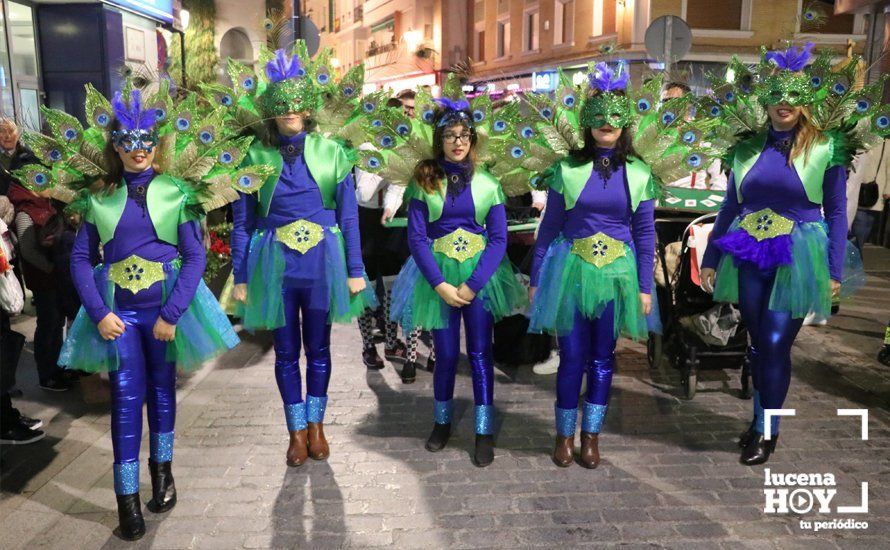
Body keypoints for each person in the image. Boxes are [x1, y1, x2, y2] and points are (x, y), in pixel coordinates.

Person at [58, 88, 240, 540]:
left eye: (146, 143)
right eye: (128, 142)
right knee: (124, 399)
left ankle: (162, 476)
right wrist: (98, 312)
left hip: (164, 312)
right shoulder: (98, 198)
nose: (138, 150)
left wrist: (174, 313)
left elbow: (194, 257)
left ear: (156, 146)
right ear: (115, 146)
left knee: (162, 391)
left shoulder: (175, 192)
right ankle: (127, 501)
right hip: (118, 314)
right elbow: (81, 258)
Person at [700, 43, 865, 466]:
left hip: (800, 254)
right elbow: (729, 207)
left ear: (804, 99)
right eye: (776, 96)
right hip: (750, 253)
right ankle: (759, 420)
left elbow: (838, 210)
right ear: (766, 101)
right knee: (757, 343)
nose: (784, 104)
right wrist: (711, 259)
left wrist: (832, 270)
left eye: (792, 96)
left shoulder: (825, 147)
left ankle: (767, 431)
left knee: (775, 343)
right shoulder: (745, 149)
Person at [230, 49, 376, 468]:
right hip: (273, 264)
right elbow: (243, 222)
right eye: (282, 103)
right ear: (270, 109)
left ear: (308, 107)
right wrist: (241, 274)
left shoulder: (332, 152)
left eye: (297, 103)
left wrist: (354, 269)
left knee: (320, 348)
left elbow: (348, 216)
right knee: (285, 352)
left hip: (320, 263)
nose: (291, 111)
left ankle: (317, 425)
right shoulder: (253, 156)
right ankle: (295, 431)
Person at [528, 63, 656, 469]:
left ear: (626, 122)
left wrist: (644, 287)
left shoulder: (639, 173)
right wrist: (536, 278)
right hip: (570, 271)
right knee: (571, 356)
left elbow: (645, 232)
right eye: (598, 115)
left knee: (603, 358)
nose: (607, 123)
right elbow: (547, 229)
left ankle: (592, 436)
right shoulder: (567, 170)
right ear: (586, 121)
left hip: (617, 272)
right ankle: (564, 435)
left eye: (615, 115)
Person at [389, 98, 527, 467]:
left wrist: (472, 285)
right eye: (449, 135)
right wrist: (439, 284)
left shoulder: (489, 184)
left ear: (474, 139)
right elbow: (417, 238)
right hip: (437, 281)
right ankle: (442, 422)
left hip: (479, 280)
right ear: (439, 140)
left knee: (481, 355)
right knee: (447, 355)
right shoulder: (423, 182)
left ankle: (483, 431)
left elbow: (499, 238)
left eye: (464, 134)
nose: (457, 141)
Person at [354, 96, 409, 371]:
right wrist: (387, 165)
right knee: (363, 288)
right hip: (366, 223)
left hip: (392, 222)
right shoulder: (367, 148)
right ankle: (367, 346)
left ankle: (391, 341)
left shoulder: (402, 148)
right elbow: (364, 193)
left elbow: (401, 185)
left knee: (391, 286)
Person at [660, 82, 727, 191]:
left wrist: (711, 204)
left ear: (688, 105)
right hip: (660, 201)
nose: (668, 105)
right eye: (665, 101)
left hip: (692, 201)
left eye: (674, 101)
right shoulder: (654, 137)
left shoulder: (702, 137)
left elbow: (719, 180)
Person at [847, 138, 889, 256]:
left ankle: (853, 259)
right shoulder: (857, 139)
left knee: (860, 229)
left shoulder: (887, 144)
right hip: (851, 189)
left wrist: (887, 189)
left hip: (870, 194)